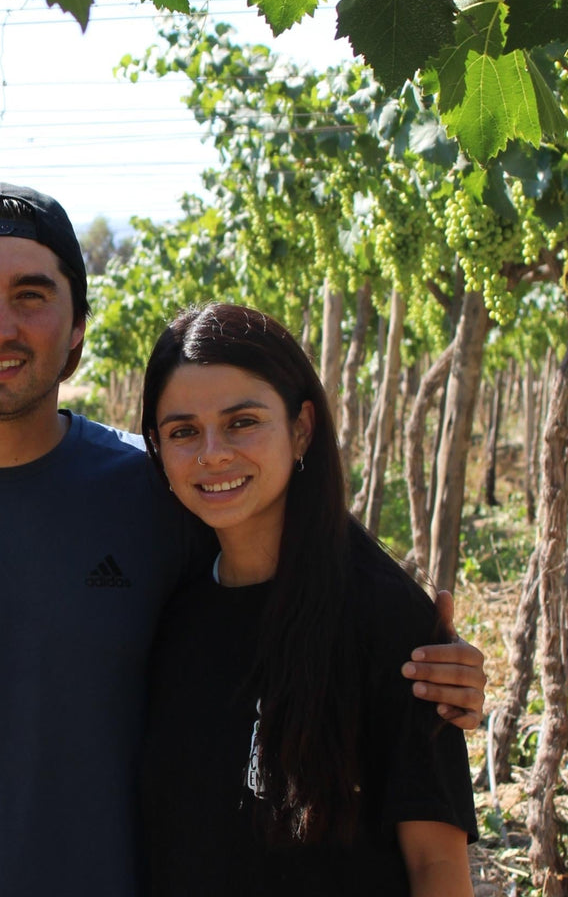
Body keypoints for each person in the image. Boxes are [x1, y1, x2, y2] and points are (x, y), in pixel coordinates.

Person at [0, 184, 487, 897]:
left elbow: (302, 568)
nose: (0, 326)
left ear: (77, 331)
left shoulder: (160, 494)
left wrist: (420, 659)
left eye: (33, 295)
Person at [139, 302, 476, 896]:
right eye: (183, 431)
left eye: (242, 422)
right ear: (158, 450)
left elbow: (436, 864)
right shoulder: (167, 603)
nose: (212, 452)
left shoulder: (386, 618)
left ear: (302, 427)